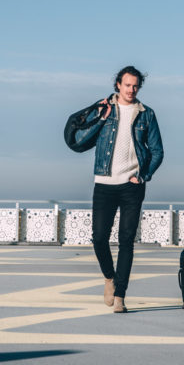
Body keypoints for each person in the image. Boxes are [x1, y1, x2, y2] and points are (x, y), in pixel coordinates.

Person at [72, 66, 164, 313]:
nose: (131, 90)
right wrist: (100, 115)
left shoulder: (147, 114)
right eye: (127, 85)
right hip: (104, 183)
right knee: (99, 238)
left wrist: (143, 175)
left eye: (135, 86)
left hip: (132, 186)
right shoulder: (104, 109)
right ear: (118, 85)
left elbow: (157, 151)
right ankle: (109, 277)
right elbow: (82, 139)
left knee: (126, 240)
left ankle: (121, 295)